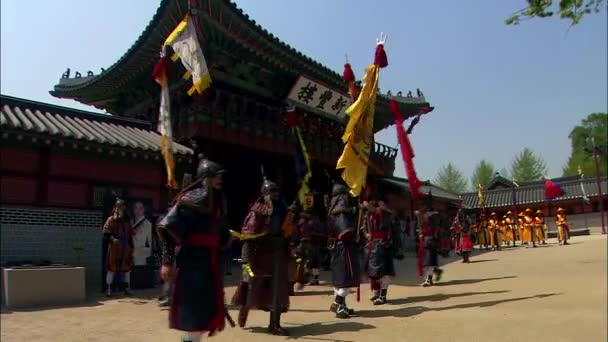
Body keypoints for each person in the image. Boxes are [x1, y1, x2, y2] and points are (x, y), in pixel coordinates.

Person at [157, 155, 231, 342]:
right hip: (191, 263)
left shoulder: (218, 202)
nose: (220, 179)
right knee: (192, 312)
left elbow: (222, 235)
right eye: (216, 175)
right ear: (205, 177)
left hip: (210, 264)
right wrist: (166, 262)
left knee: (205, 311)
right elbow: (168, 230)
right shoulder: (190, 201)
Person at [231, 175, 292, 336]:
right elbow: (247, 236)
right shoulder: (257, 211)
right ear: (265, 192)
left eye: (277, 191)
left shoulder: (284, 209)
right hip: (260, 254)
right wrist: (246, 260)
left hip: (278, 253)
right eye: (272, 191)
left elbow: (288, 231)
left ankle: (274, 324)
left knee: (278, 288)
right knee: (252, 285)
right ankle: (245, 308)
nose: (276, 194)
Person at [327, 183, 361, 319]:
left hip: (338, 247)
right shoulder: (341, 212)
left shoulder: (333, 211)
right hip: (344, 246)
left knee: (340, 277)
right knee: (345, 276)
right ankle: (338, 303)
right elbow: (345, 232)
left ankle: (343, 305)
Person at [362, 199, 402, 305]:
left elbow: (376, 211)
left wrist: (365, 204)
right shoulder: (368, 214)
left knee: (384, 273)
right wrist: (366, 234)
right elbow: (364, 228)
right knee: (373, 272)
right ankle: (377, 293)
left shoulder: (385, 213)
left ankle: (383, 296)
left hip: (383, 245)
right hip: (372, 245)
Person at [103, 198, 134, 297]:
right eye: (119, 206)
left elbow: (131, 233)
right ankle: (108, 289)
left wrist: (131, 246)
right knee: (111, 267)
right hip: (115, 247)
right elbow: (106, 231)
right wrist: (112, 239)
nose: (121, 208)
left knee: (127, 268)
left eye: (122, 206)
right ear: (116, 207)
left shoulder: (128, 220)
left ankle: (127, 288)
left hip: (126, 247)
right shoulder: (111, 219)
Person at [131, 201, 153, 289]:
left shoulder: (148, 224)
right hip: (130, 250)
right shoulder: (131, 222)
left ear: (144, 210)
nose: (138, 210)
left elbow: (147, 241)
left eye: (140, 208)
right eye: (136, 208)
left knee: (140, 270)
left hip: (141, 251)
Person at [420, 209, 443, 287]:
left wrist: (434, 237)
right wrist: (421, 236)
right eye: (424, 216)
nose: (425, 217)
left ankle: (428, 280)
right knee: (428, 263)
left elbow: (436, 235)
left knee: (429, 263)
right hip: (426, 244)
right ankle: (436, 273)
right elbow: (422, 233)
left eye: (426, 216)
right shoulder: (423, 224)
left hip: (432, 244)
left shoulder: (434, 226)